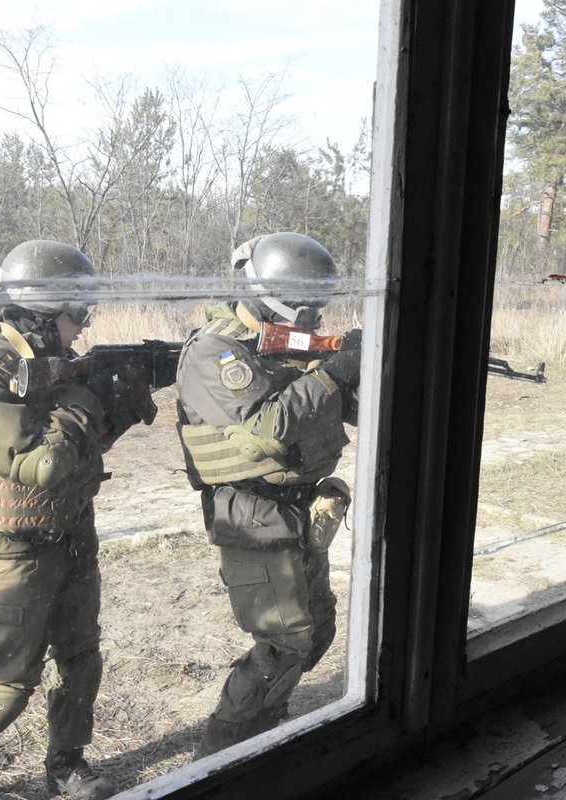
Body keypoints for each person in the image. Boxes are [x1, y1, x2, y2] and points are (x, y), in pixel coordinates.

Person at [0, 239, 132, 799]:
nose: (83, 326)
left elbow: (78, 450)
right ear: (45, 316)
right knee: (4, 686)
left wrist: (117, 401)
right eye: (77, 315)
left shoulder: (43, 367)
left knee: (81, 659)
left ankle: (67, 762)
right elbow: (41, 464)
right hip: (16, 548)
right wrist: (84, 399)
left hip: (72, 532)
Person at [174, 231, 361, 757]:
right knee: (284, 644)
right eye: (307, 308)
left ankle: (266, 721)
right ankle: (217, 756)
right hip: (251, 512)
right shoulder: (216, 351)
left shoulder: (288, 345)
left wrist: (361, 372)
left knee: (316, 631)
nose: (314, 319)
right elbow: (266, 428)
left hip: (303, 510)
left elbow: (337, 407)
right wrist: (334, 373)